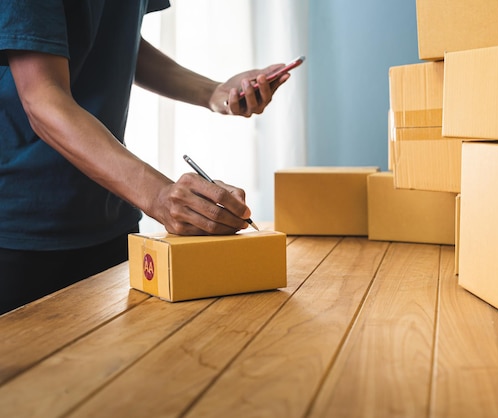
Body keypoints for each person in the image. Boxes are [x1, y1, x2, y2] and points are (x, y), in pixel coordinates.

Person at [0, 0, 292, 314]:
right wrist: (159, 195)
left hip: (110, 218)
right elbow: (43, 100)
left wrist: (212, 92)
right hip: (21, 231)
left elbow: (117, 41)